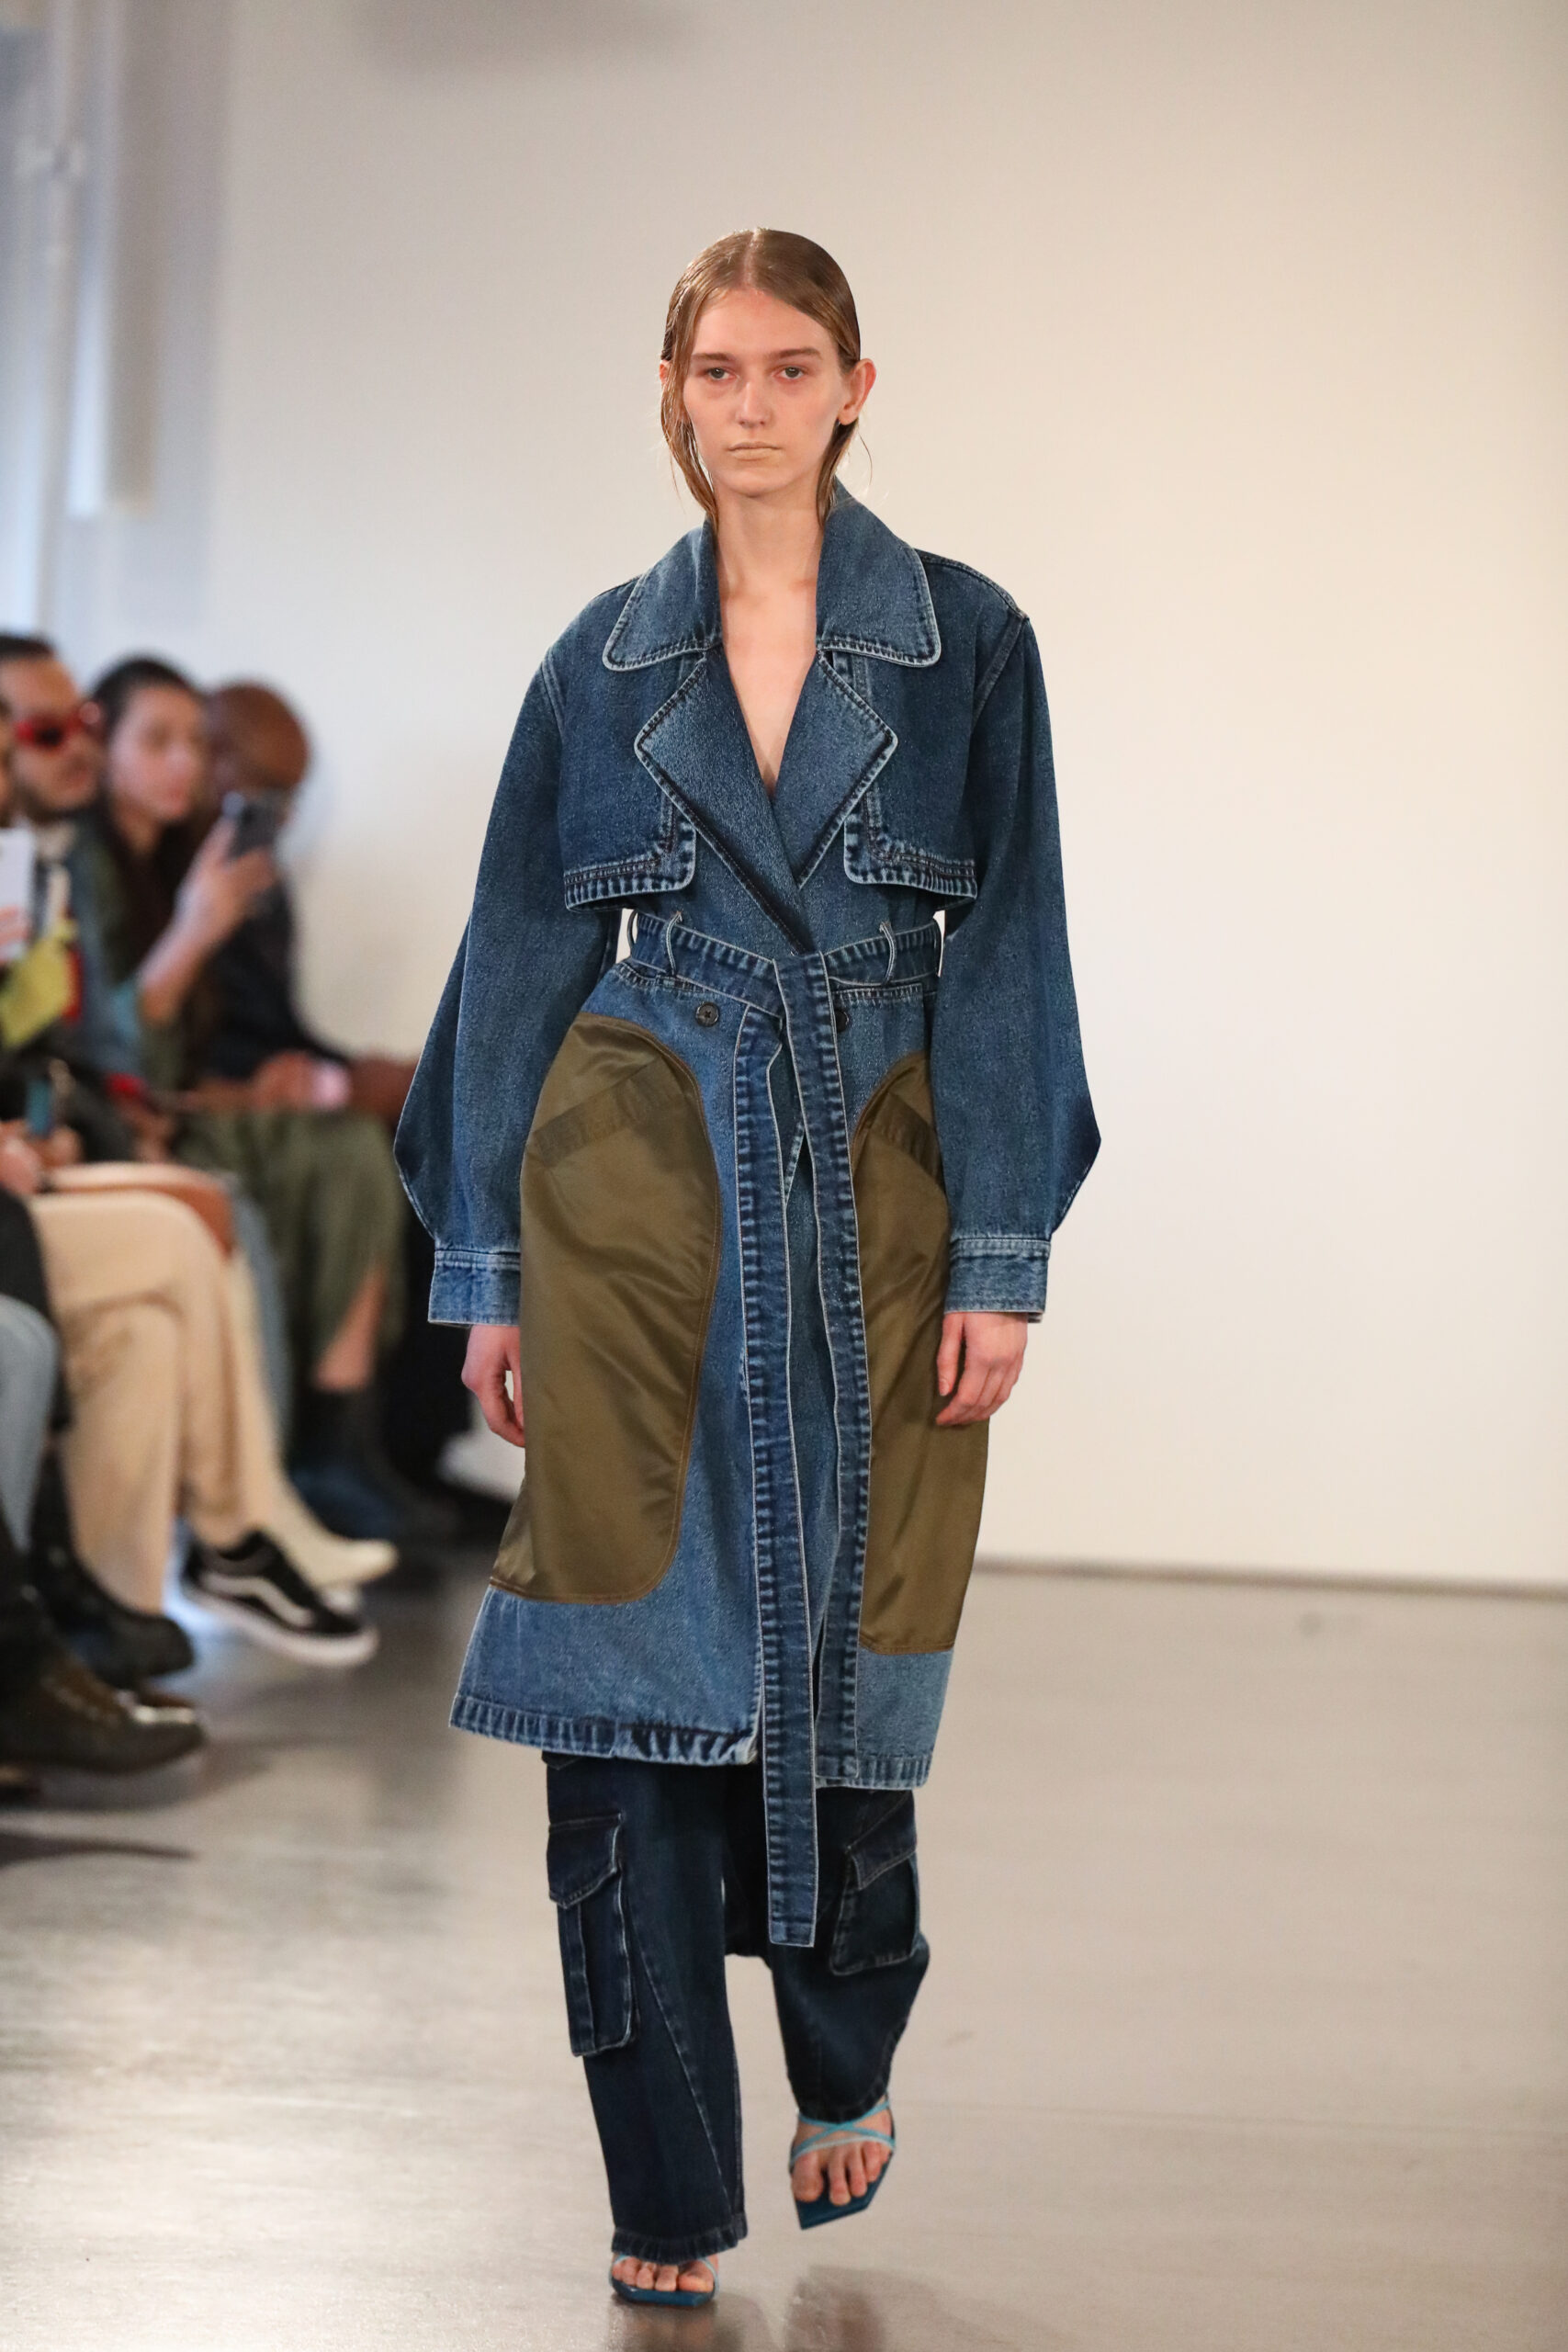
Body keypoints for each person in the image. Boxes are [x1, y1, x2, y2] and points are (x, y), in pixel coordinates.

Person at [396, 230, 1099, 2307]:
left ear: (855, 388)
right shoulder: (599, 663)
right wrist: (486, 1266)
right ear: (673, 390)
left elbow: (1016, 954)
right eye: (718, 368)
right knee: (615, 1664)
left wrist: (999, 1247)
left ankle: (843, 2042)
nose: (753, 404)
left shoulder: (964, 644)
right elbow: (514, 958)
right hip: (632, 1175)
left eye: (791, 367)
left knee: (853, 1643)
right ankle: (662, 2180)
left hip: (880, 1174)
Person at [83, 655, 437, 1546]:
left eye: (195, 744)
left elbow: (230, 1034)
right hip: (133, 1119)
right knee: (343, 1146)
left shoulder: (194, 861)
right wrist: (196, 934)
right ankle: (283, 1483)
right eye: (159, 741)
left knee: (384, 1135)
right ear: (102, 744)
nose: (185, 765)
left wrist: (315, 1080)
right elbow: (116, 1049)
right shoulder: (92, 864)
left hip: (181, 1105)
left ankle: (341, 1442)